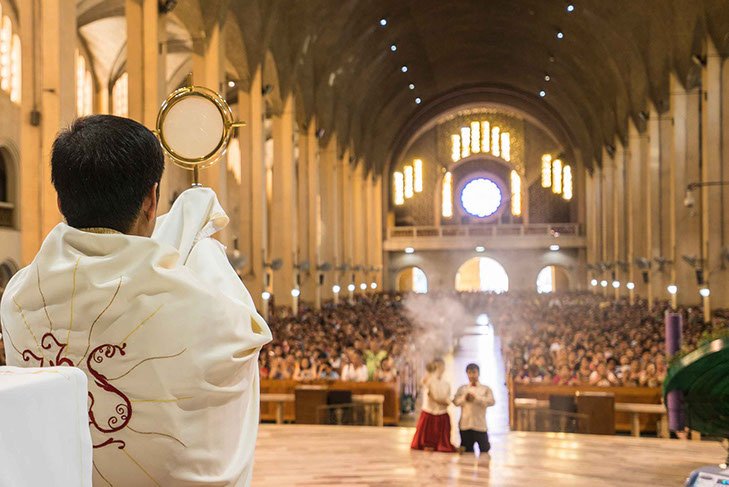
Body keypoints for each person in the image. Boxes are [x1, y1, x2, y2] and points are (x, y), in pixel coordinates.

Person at [0, 115, 272, 486]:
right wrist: (205, 250)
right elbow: (246, 336)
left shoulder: (17, 297)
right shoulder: (198, 306)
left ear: (61, 199)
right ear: (151, 199)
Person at [411, 358, 456, 452]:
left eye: (442, 366)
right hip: (430, 410)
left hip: (441, 411)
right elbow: (427, 390)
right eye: (438, 366)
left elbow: (447, 397)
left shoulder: (446, 383)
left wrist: (446, 402)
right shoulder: (429, 380)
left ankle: (441, 444)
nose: (440, 368)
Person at [453, 363, 495, 454]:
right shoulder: (462, 389)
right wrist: (465, 398)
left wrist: (476, 399)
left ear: (478, 373)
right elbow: (455, 402)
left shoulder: (485, 389)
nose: (472, 375)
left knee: (484, 450)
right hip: (465, 424)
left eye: (474, 372)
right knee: (467, 452)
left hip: (480, 425)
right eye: (469, 373)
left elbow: (491, 402)